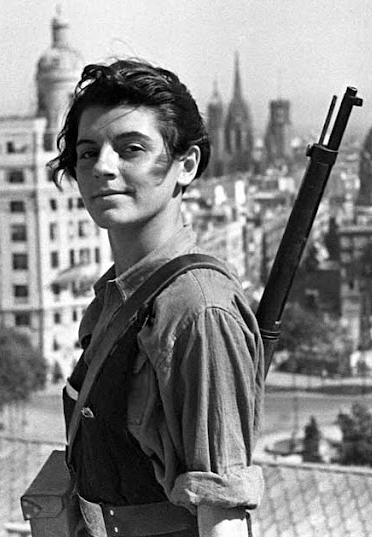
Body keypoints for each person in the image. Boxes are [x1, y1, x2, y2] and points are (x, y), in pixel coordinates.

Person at [49, 59, 265, 537]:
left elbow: (223, 510)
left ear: (186, 165)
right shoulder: (117, 294)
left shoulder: (197, 309)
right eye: (87, 153)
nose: (103, 167)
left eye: (131, 149)